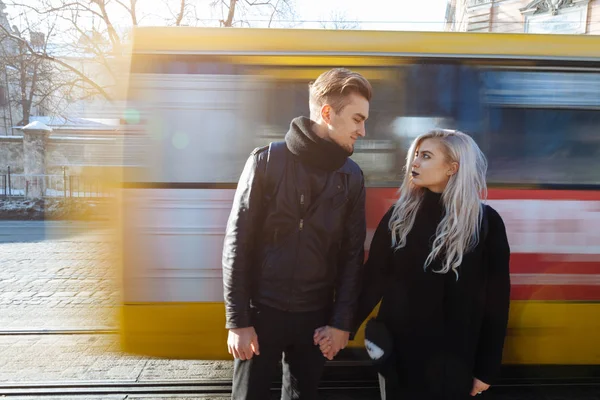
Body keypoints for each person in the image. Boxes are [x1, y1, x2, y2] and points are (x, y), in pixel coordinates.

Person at [317, 129, 511, 399]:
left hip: (454, 362)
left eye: (426, 156)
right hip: (396, 357)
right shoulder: (399, 218)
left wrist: (486, 368)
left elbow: (496, 304)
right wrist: (341, 328)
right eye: (416, 155)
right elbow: (373, 280)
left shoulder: (486, 223)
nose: (414, 163)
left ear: (452, 168)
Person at [222, 68, 372, 400]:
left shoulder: (352, 177)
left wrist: (340, 323)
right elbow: (238, 242)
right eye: (357, 119)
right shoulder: (266, 161)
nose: (363, 131)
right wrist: (238, 321)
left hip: (316, 321)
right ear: (328, 113)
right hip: (261, 313)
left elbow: (351, 257)